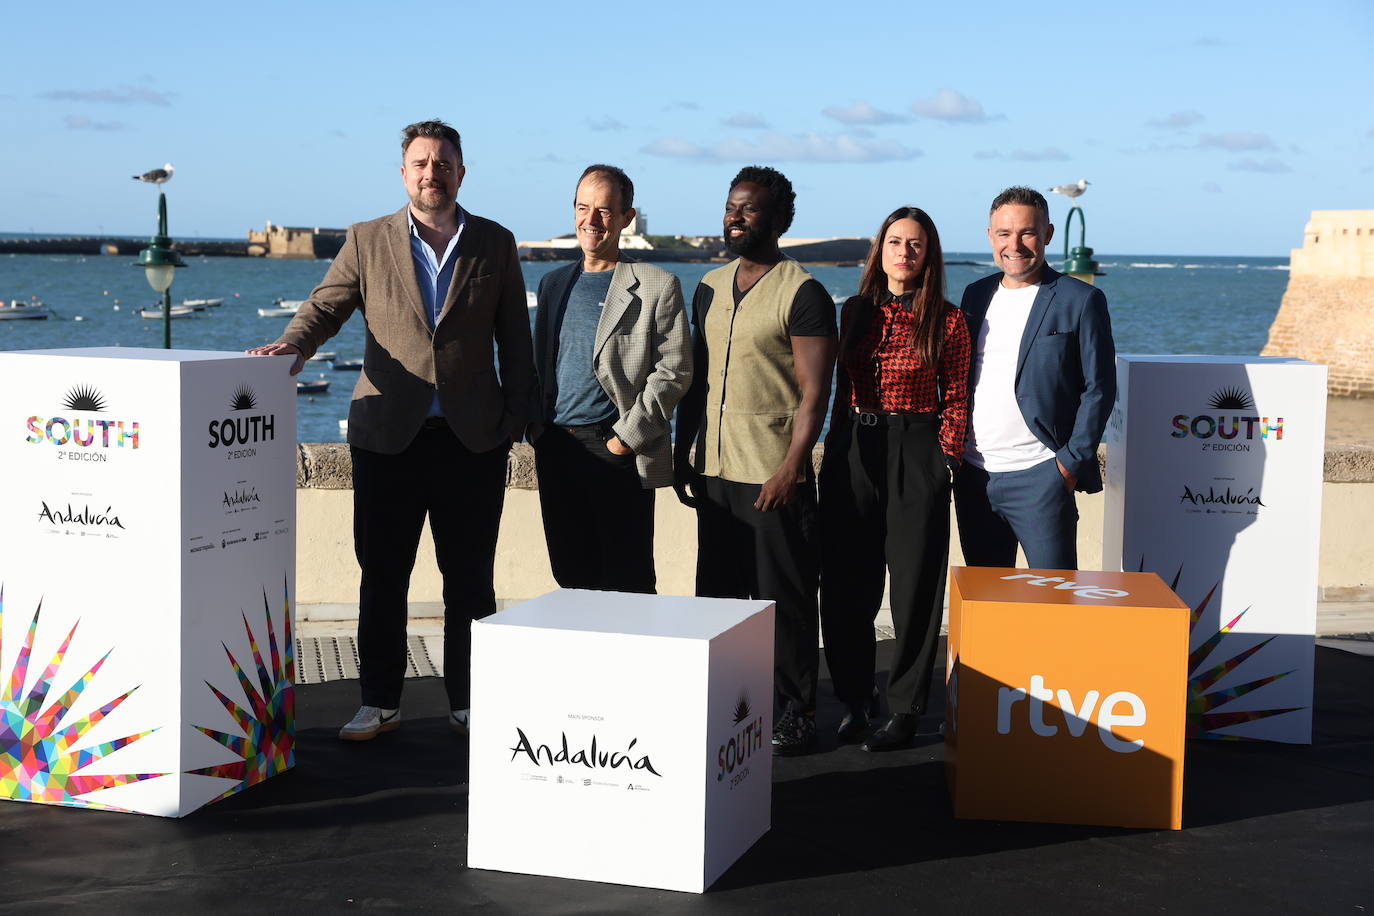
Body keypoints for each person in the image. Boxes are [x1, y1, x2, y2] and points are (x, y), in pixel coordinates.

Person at [248, 120, 534, 741]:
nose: (432, 172)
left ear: (462, 171)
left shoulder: (495, 243)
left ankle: (471, 700)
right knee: (382, 577)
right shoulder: (366, 239)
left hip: (471, 440)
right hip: (387, 439)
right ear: (404, 172)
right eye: (420, 163)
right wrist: (292, 347)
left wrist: (514, 422)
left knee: (470, 580)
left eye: (443, 162)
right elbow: (326, 306)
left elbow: (516, 339)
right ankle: (378, 700)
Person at [673, 166, 837, 756]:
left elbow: (815, 394)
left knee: (784, 603)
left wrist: (792, 469)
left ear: (780, 220)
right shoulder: (710, 286)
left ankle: (795, 711)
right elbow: (695, 378)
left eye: (749, 210)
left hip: (773, 476)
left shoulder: (804, 292)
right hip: (715, 471)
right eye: (730, 208)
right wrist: (682, 450)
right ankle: (724, 702)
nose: (735, 218)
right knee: (716, 602)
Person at [819, 207, 970, 752]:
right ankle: (857, 700)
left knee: (914, 591)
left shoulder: (948, 320)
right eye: (895, 242)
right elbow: (838, 388)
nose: (904, 252)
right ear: (878, 250)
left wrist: (944, 460)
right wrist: (835, 452)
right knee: (845, 587)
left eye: (916, 244)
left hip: (917, 449)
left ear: (929, 256)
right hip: (855, 448)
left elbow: (956, 397)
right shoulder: (854, 311)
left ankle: (906, 708)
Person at [529, 165, 693, 592]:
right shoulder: (553, 283)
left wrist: (624, 439)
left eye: (604, 210)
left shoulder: (657, 284)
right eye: (583, 208)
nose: (591, 220)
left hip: (615, 447)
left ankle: (635, 660)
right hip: (556, 447)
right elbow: (540, 362)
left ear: (626, 217)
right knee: (570, 576)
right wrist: (536, 429)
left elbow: (674, 371)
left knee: (628, 579)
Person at [954, 186, 1115, 570]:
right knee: (987, 601)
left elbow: (1100, 388)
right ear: (990, 236)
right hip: (975, 475)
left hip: (1042, 475)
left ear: (1048, 234)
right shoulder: (974, 295)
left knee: (1054, 604)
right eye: (1004, 234)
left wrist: (1068, 464)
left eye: (1027, 232)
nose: (1016, 244)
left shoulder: (1080, 299)